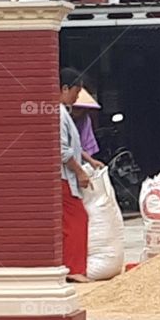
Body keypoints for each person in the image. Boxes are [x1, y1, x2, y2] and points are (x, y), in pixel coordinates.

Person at [60, 68, 92, 282]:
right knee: (78, 219)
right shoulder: (58, 113)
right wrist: (79, 171)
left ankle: (70, 266)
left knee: (68, 222)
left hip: (66, 177)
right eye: (76, 91)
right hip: (64, 178)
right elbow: (62, 149)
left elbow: (73, 145)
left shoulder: (64, 112)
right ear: (64, 88)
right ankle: (74, 269)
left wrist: (89, 160)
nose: (77, 97)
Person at [72, 87, 101, 158]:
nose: (76, 111)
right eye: (75, 108)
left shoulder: (85, 120)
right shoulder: (64, 117)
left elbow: (87, 145)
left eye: (80, 108)